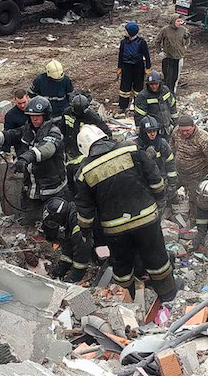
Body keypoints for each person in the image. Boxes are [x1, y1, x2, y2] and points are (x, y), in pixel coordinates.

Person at [74, 124, 178, 301]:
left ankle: (127, 305)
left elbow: (85, 210)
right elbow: (154, 176)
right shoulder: (130, 148)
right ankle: (169, 297)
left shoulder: (84, 171)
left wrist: (86, 232)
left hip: (115, 229)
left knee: (122, 268)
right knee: (157, 259)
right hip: (146, 218)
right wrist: (160, 198)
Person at [0, 96, 66, 225]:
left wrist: (26, 158)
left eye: (38, 116)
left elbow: (47, 149)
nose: (35, 119)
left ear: (46, 116)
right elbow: (9, 135)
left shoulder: (54, 132)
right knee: (30, 223)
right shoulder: (27, 130)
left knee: (53, 222)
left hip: (52, 189)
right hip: (32, 189)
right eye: (32, 116)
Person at [170, 115, 208, 242]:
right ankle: (167, 213)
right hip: (179, 172)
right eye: (182, 130)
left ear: (193, 127)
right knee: (167, 189)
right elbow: (172, 148)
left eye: (187, 131)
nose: (184, 133)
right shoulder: (176, 132)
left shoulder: (204, 139)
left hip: (197, 175)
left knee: (195, 202)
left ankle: (194, 225)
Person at [60, 93, 111, 193]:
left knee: (81, 178)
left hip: (84, 153)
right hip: (68, 149)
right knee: (68, 174)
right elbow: (62, 130)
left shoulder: (91, 117)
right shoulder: (67, 113)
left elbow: (106, 132)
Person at [40, 197, 92, 283]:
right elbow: (69, 248)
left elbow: (82, 255)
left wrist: (73, 279)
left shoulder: (77, 226)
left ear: (59, 217)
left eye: (54, 222)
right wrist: (60, 270)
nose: (57, 225)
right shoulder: (70, 219)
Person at [134, 116, 179, 203]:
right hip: (145, 184)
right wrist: (146, 157)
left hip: (161, 182)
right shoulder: (136, 146)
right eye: (149, 132)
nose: (152, 134)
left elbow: (171, 165)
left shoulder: (162, 144)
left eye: (154, 131)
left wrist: (172, 184)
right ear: (143, 132)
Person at [117, 21, 151, 114]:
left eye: (126, 31)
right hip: (126, 66)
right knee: (124, 87)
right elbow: (120, 55)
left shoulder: (141, 42)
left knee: (138, 87)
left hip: (138, 67)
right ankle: (123, 106)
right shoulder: (123, 42)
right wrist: (119, 67)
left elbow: (147, 55)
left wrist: (148, 67)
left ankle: (138, 105)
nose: (125, 32)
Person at [133, 70, 178, 135]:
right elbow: (139, 116)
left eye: (156, 84)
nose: (154, 86)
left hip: (167, 129)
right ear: (148, 84)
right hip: (153, 131)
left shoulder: (165, 91)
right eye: (151, 84)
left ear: (160, 83)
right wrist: (141, 132)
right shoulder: (143, 96)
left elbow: (172, 107)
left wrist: (175, 123)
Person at [153, 16, 190, 94]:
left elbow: (188, 37)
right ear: (173, 21)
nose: (180, 23)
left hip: (179, 57)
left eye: (181, 21)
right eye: (178, 21)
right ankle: (166, 93)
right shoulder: (165, 30)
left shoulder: (183, 30)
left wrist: (185, 46)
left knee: (175, 77)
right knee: (168, 77)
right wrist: (159, 52)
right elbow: (157, 41)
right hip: (168, 57)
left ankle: (173, 92)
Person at [1, 89, 30, 156]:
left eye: (24, 102)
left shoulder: (35, 109)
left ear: (28, 98)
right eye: (19, 103)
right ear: (15, 101)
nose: (22, 106)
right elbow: (8, 133)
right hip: (21, 146)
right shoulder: (11, 115)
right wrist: (5, 151)